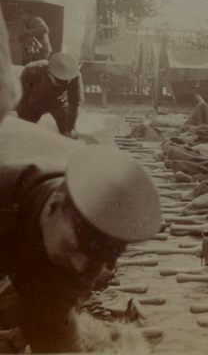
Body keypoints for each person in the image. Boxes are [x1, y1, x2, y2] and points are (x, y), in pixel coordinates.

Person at [0, 129, 161, 353]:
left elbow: (53, 330)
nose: (79, 266)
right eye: (74, 249)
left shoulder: (83, 251)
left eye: (93, 261)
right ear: (54, 207)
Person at [16, 52, 83, 139]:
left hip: (59, 102)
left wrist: (70, 128)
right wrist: (23, 121)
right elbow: (23, 99)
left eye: (65, 82)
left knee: (70, 135)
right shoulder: (32, 70)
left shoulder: (75, 76)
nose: (62, 85)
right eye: (59, 82)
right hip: (36, 100)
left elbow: (75, 103)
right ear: (49, 72)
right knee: (24, 131)